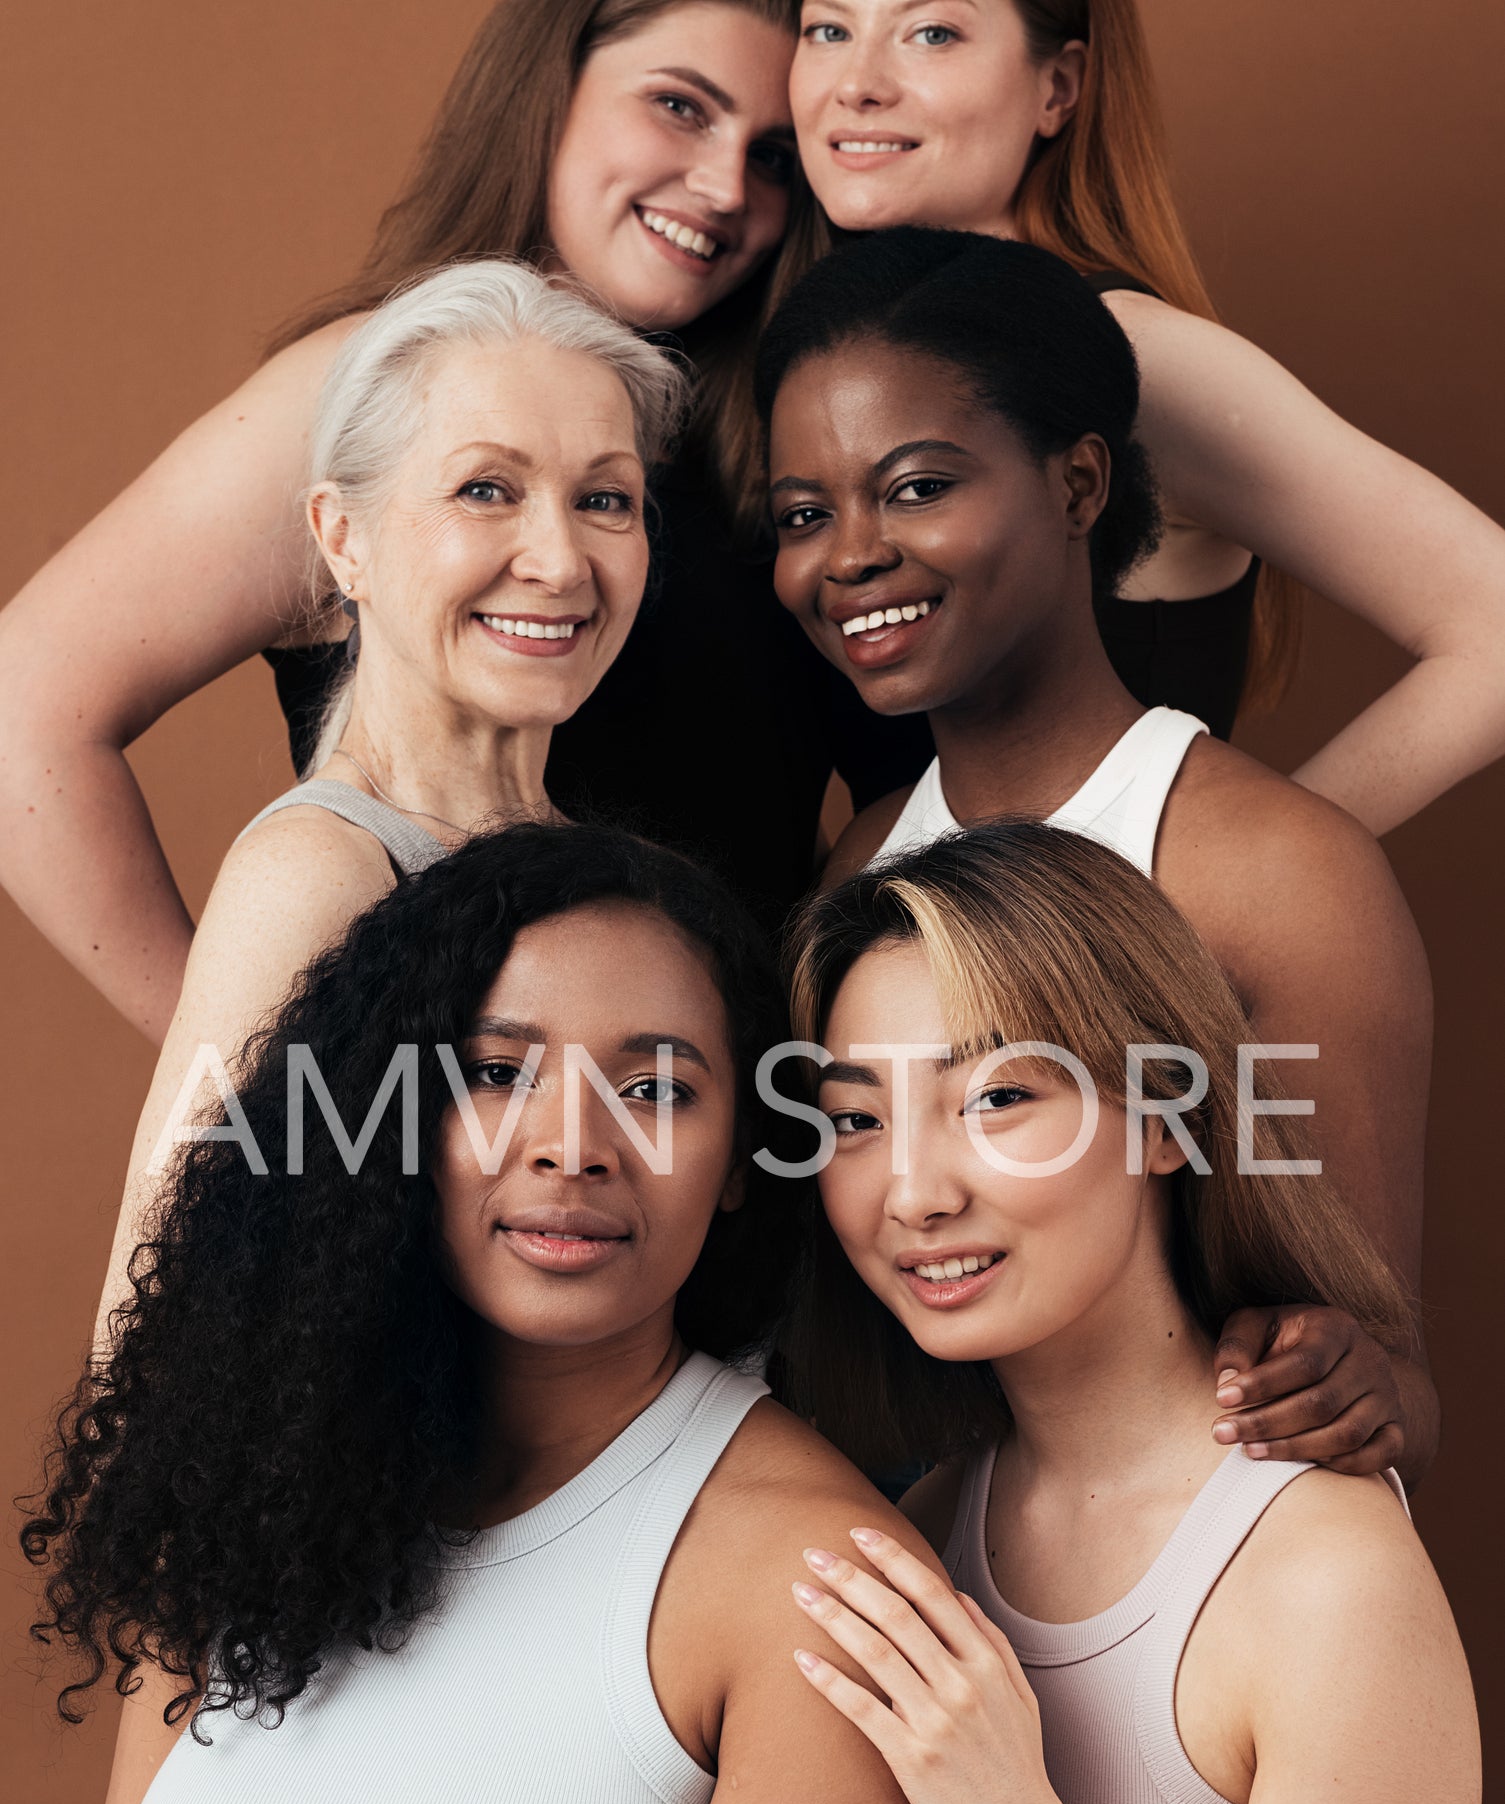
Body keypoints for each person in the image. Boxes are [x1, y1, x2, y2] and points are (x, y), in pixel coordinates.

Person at [3, 822, 961, 1804]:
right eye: (496, 1072)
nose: (573, 1143)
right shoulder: (256, 1476)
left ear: (744, 1156)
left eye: (658, 1085)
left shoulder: (807, 1585)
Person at [782, 819, 1499, 1804]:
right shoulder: (928, 1524)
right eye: (857, 1118)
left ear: (1167, 1112)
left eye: (995, 1098)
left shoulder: (1319, 1574)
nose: (912, 1191)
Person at [0, 0, 919, 1047]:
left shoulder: (769, 437)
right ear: (549, 91)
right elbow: (25, 708)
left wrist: (800, 1047)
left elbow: (888, 780)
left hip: (716, 1137)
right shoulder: (370, 386)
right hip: (464, 1156)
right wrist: (251, 1060)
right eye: (676, 107)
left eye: (771, 157)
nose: (721, 190)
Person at [757, 227, 1438, 1490]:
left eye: (914, 487)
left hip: (1199, 1580)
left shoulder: (1277, 874)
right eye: (805, 513)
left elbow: (1386, 1374)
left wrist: (1347, 1377)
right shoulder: (862, 865)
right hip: (934, 1571)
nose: (847, 553)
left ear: (1077, 486)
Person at [88, 255, 684, 1335]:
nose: (557, 558)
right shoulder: (319, 873)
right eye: (485, 490)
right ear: (342, 538)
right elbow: (150, 1344)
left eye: (603, 499)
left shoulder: (579, 865)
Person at [788, 0, 1505, 831]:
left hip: (1085, 961)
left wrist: (1222, 888)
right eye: (828, 30)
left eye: (932, 32)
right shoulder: (829, 371)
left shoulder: (1142, 361)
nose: (857, 84)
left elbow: (1493, 622)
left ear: (1057, 88)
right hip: (898, 947)